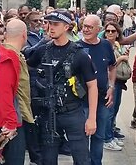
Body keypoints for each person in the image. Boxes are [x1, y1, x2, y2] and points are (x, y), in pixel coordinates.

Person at [26, 11, 98, 165]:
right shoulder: (42, 50)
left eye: (55, 24)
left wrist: (91, 118)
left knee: (82, 158)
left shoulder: (79, 54)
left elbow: (92, 86)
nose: (51, 28)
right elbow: (24, 66)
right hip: (48, 113)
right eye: (49, 23)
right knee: (48, 159)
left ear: (66, 27)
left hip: (72, 112)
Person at [0, 19, 33, 165]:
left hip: (0, 117)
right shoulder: (9, 57)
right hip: (5, 121)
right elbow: (4, 92)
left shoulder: (0, 51)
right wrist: (11, 124)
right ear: (24, 35)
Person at [79, 15, 116, 165]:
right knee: (82, 137)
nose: (86, 29)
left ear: (98, 29)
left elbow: (112, 66)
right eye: (84, 26)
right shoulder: (77, 47)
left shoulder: (106, 45)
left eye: (90, 27)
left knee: (99, 136)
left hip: (102, 98)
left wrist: (111, 87)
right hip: (82, 101)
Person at [102, 22, 129, 151]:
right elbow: (109, 65)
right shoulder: (104, 46)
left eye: (113, 31)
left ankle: (111, 135)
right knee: (109, 110)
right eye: (108, 31)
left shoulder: (117, 45)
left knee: (115, 109)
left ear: (118, 33)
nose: (110, 33)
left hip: (118, 81)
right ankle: (107, 138)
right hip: (109, 82)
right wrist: (122, 58)